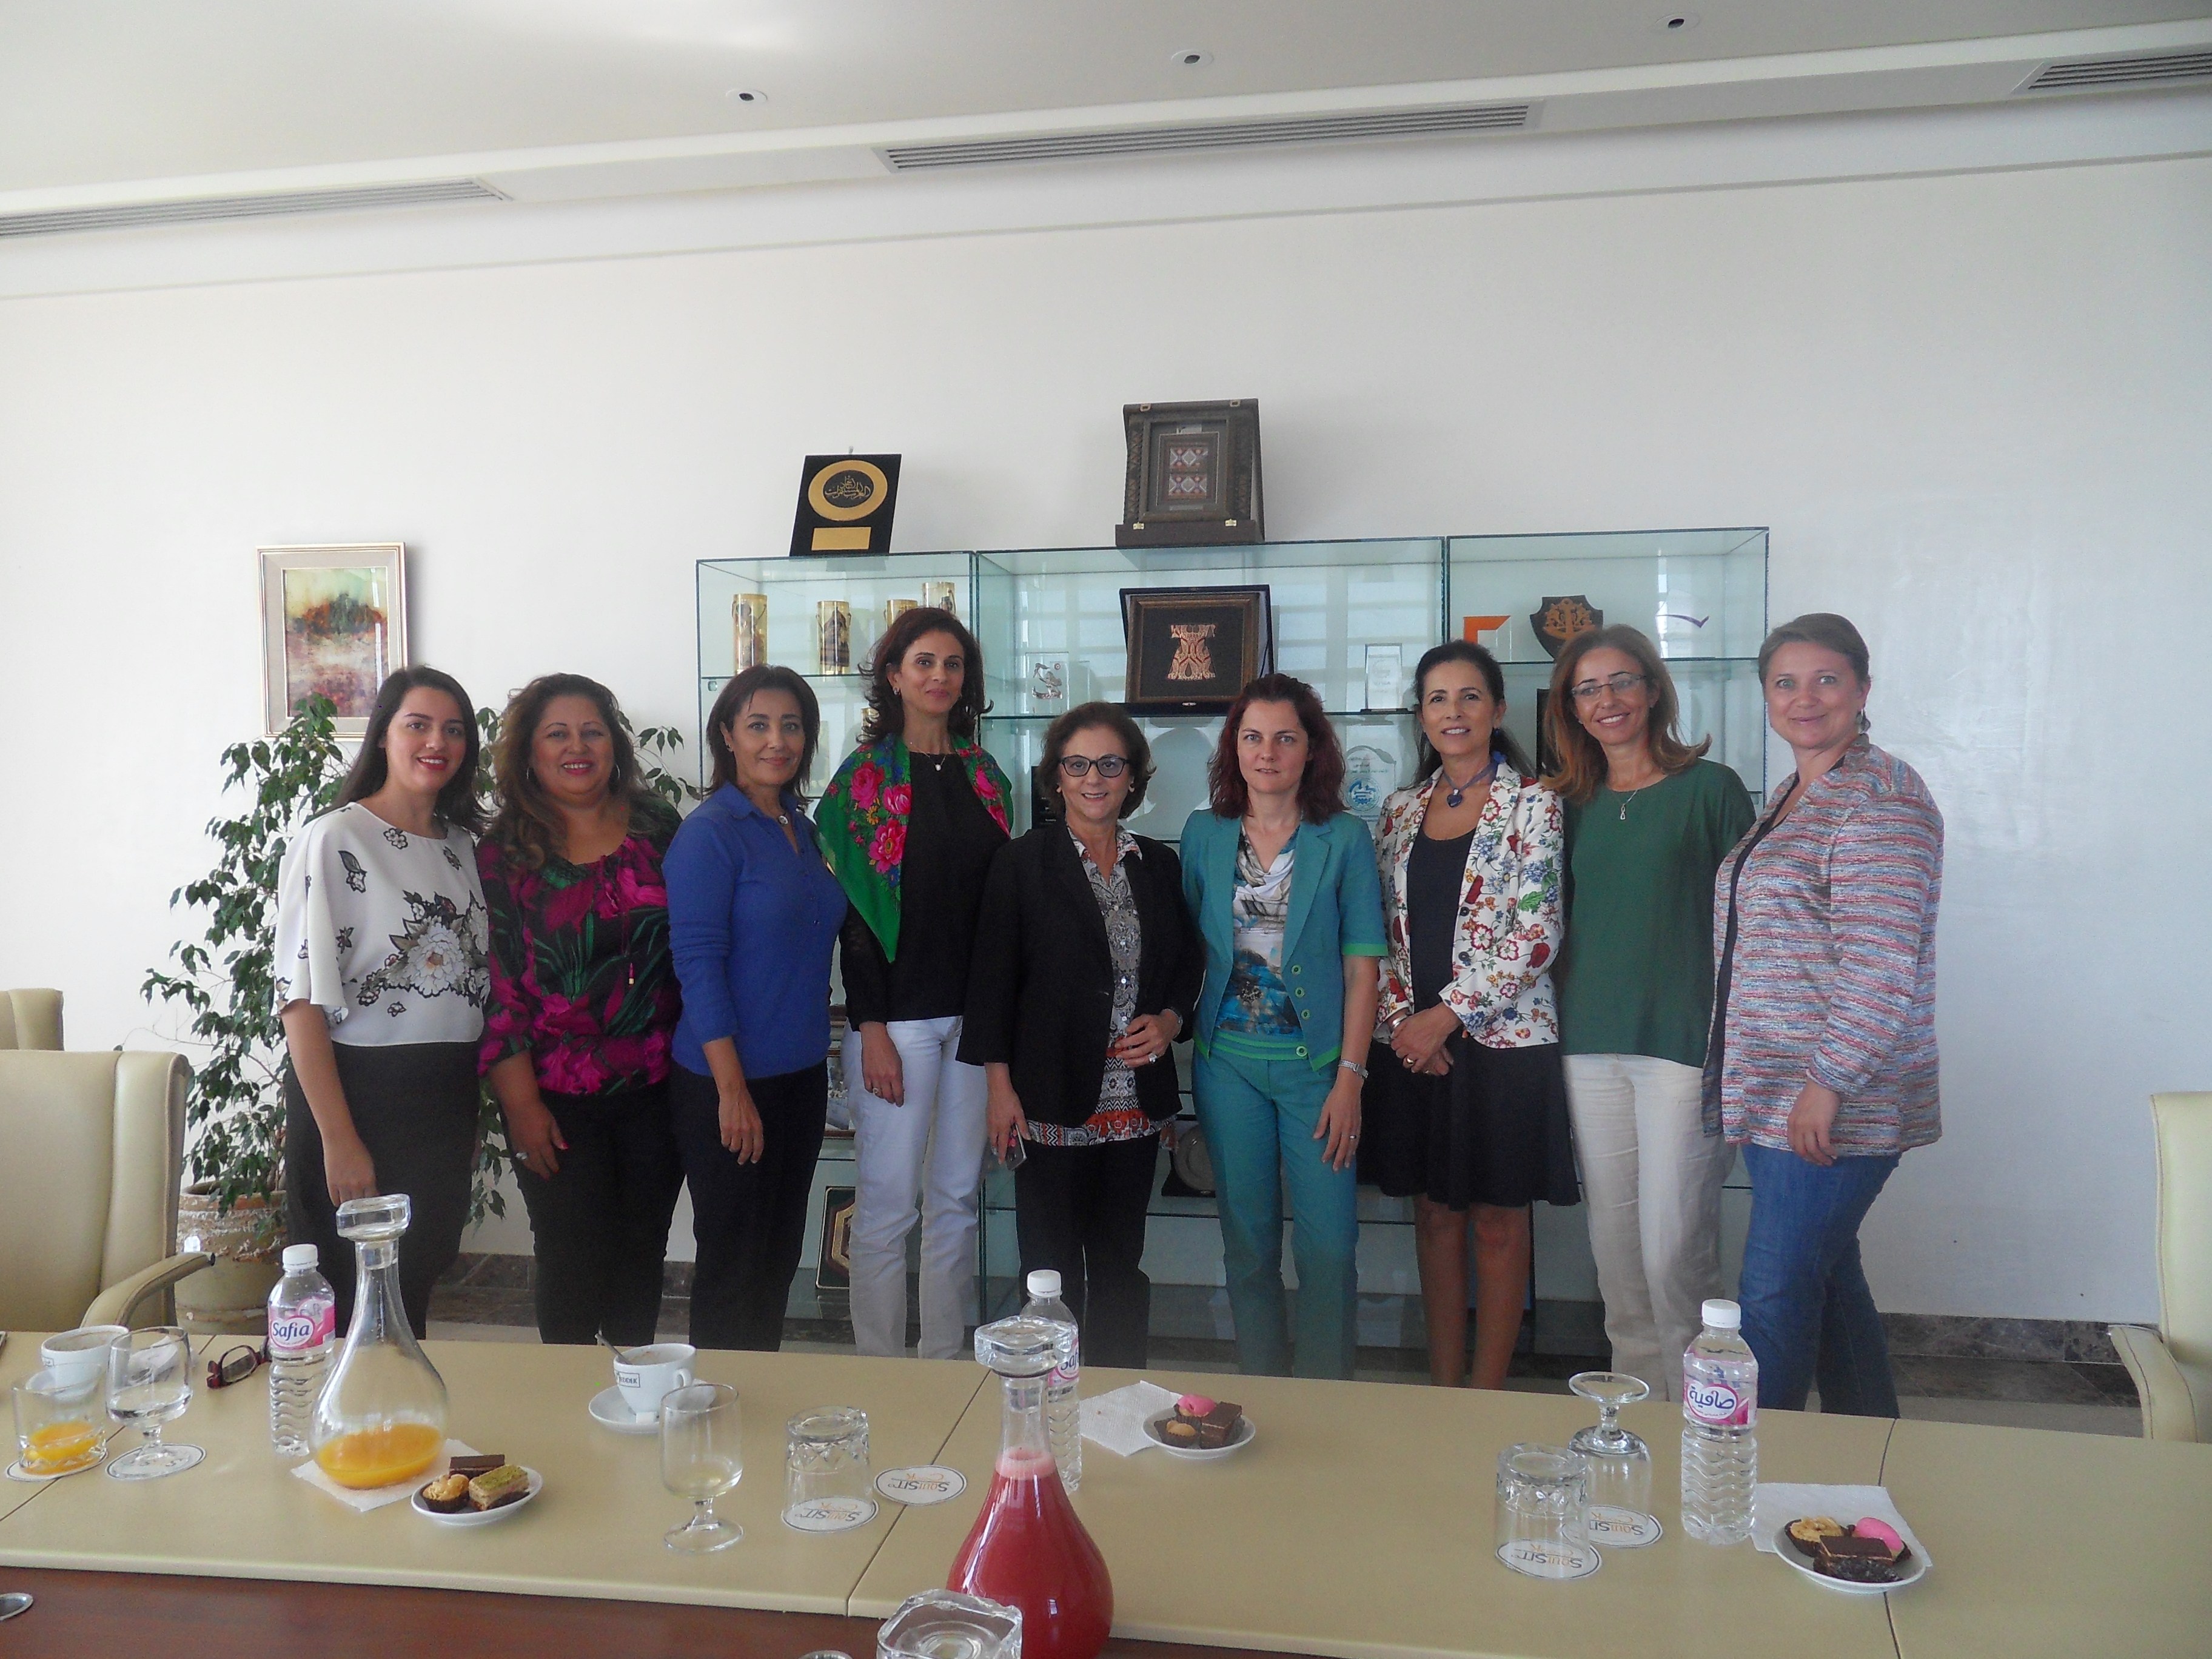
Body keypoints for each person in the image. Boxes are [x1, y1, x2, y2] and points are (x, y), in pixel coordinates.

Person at [1706, 613, 1942, 1415]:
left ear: (1863, 690)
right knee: (1830, 1283)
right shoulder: (1796, 793)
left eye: (1826, 680)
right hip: (1779, 1092)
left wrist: (1827, 1082)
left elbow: (1881, 968)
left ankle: (1753, 1466)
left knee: (1773, 1294)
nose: (1804, 698)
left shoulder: (1881, 802)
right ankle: (1874, 1450)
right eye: (1786, 683)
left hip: (1829, 1103)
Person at [1543, 626, 1755, 1401]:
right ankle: (1636, 1419)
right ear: (1572, 708)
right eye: (1588, 689)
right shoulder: (1565, 804)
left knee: (1674, 1252)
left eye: (1622, 681)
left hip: (1683, 1044)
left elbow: (1752, 927)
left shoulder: (1712, 790)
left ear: (1654, 689)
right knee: (1617, 1253)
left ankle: (1705, 1416)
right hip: (1589, 1044)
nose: (1607, 700)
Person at [962, 703, 1202, 1367]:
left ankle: (1117, 1394)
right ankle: (1048, 1398)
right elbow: (992, 983)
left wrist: (1171, 1020)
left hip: (1135, 1105)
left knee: (1121, 1265)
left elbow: (1187, 964)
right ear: (1057, 777)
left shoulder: (1157, 863)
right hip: (1048, 1101)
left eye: (1110, 764)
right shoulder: (1020, 863)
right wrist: (999, 1090)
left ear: (1133, 778)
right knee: (1050, 1270)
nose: (1094, 778)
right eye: (1077, 764)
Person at [1367, 642, 1575, 1389]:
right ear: (1421, 717)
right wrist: (1407, 1023)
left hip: (1502, 1045)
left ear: (1498, 709)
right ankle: (1443, 1391)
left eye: (1469, 697)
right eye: (1437, 699)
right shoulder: (1398, 812)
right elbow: (1376, 933)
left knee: (1497, 1218)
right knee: (1434, 1216)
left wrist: (1445, 1016)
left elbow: (1538, 932)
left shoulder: (1535, 803)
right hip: (1414, 1048)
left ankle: (1487, 1398)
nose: (1453, 712)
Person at [816, 607, 1013, 1359]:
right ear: (894, 676)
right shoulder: (862, 781)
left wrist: (997, 1027)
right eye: (924, 662)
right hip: (896, 1024)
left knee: (956, 1201)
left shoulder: (987, 777)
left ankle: (941, 1361)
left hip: (972, 1022)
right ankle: (880, 1366)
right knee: (888, 1206)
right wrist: (869, 1029)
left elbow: (1001, 910)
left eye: (953, 664)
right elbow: (854, 918)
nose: (940, 676)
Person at [1180, 674, 1386, 1381]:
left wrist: (1350, 1080)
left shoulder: (1344, 838)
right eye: (1252, 737)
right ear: (1234, 748)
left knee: (1329, 1247)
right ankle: (1263, 1388)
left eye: (1284, 738)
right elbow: (1184, 947)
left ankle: (1325, 1394)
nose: (1267, 753)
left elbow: (1363, 969)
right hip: (1227, 1067)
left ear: (1311, 750)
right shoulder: (1204, 834)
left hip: (1318, 1072)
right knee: (1248, 1245)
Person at [274, 666, 489, 1338]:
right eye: (417, 725)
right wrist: (339, 1141)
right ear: (383, 736)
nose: (437, 742)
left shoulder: (464, 848)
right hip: (358, 1092)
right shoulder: (335, 837)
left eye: (453, 730)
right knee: (347, 1300)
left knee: (413, 1285)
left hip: (444, 1095)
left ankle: (403, 1407)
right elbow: (300, 1000)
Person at [477, 674, 683, 1349]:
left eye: (592, 732)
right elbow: (497, 987)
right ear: (529, 752)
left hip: (659, 1085)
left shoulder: (658, 827)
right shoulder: (502, 852)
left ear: (614, 744)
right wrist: (521, 1106)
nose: (577, 747)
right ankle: (565, 1397)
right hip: (554, 1098)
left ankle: (634, 1391)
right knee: (571, 1259)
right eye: (557, 734)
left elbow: (695, 946)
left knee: (641, 1252)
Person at [665, 666, 848, 1350]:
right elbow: (698, 965)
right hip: (729, 1081)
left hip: (799, 1078)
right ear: (728, 736)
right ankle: (716, 1403)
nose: (778, 741)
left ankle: (758, 1395)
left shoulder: (800, 827)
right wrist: (732, 1090)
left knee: (775, 1259)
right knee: (733, 1266)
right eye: (759, 725)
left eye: (791, 726)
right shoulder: (711, 833)